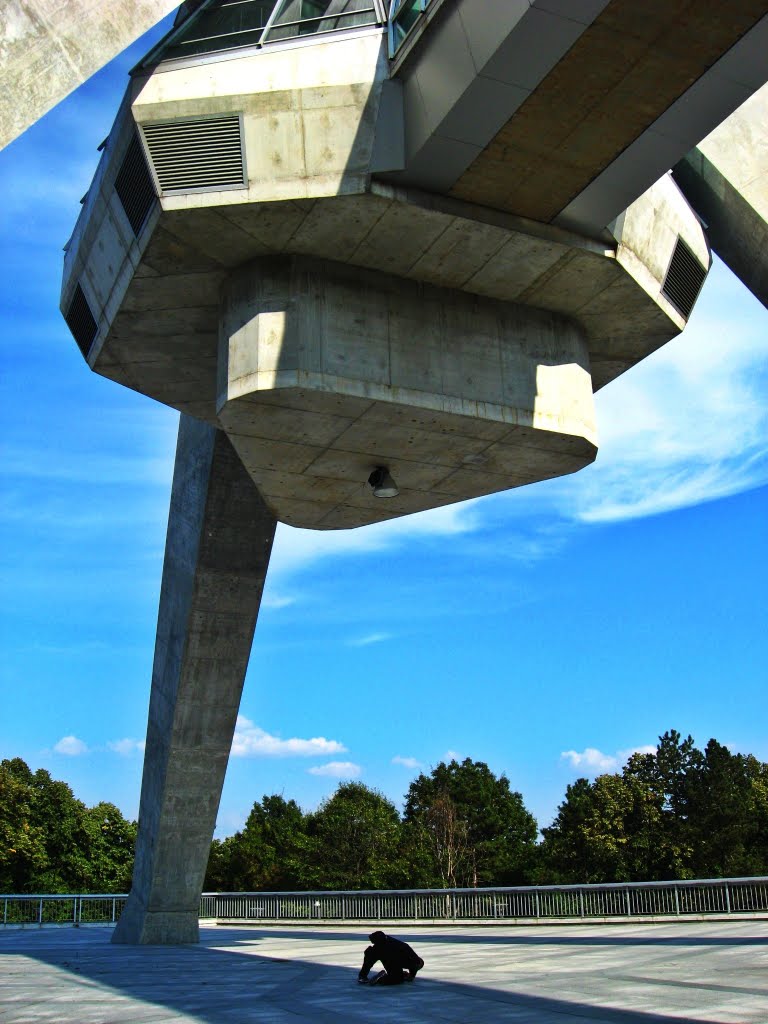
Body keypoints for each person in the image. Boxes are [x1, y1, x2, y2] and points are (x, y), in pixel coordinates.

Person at [358, 930, 424, 986]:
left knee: (370, 955)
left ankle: (365, 976)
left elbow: (367, 963)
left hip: (388, 958)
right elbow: (415, 962)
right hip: (393, 958)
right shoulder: (402, 947)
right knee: (397, 979)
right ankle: (381, 979)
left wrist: (362, 975)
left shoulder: (399, 946)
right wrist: (411, 976)